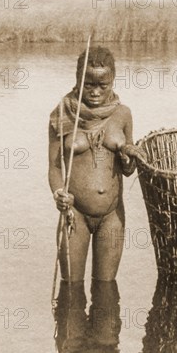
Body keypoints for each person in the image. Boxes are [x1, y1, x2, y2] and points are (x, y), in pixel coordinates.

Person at [48, 46, 144, 283]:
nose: (95, 91)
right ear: (78, 79)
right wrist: (59, 193)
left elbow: (128, 171)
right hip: (74, 214)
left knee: (106, 289)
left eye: (103, 85)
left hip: (112, 215)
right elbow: (54, 167)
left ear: (113, 81)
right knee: (71, 290)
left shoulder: (123, 114)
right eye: (88, 84)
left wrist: (127, 158)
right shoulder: (63, 113)